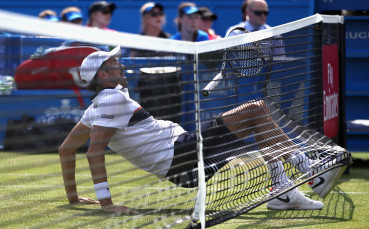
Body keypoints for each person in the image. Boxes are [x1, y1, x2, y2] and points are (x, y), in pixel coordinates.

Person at [58, 47, 345, 213]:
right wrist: (106, 203)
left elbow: (65, 149)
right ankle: (310, 173)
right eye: (113, 63)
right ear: (104, 75)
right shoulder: (111, 99)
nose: (120, 64)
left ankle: (284, 190)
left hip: (183, 155)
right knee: (257, 109)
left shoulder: (95, 108)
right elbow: (94, 152)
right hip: (182, 156)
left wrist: (74, 197)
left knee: (257, 116)